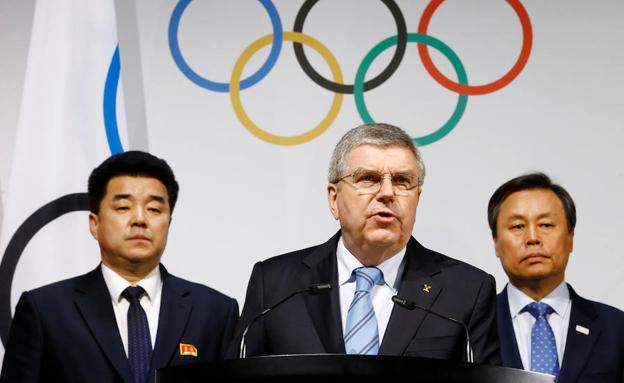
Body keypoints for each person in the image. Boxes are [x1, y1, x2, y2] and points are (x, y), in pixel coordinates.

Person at [232, 123, 500, 364]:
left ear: (417, 198)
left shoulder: (467, 291)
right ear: (333, 199)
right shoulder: (275, 285)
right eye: (368, 179)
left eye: (402, 181)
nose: (386, 193)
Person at [1, 151, 239, 383]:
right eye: (123, 207)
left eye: (154, 209)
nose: (140, 219)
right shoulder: (46, 310)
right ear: (95, 223)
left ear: (169, 223)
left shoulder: (215, 311)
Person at [489, 172, 624, 382]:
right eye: (517, 226)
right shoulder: (473, 327)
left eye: (546, 225)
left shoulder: (616, 328)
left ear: (570, 237)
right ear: (495, 242)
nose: (533, 238)